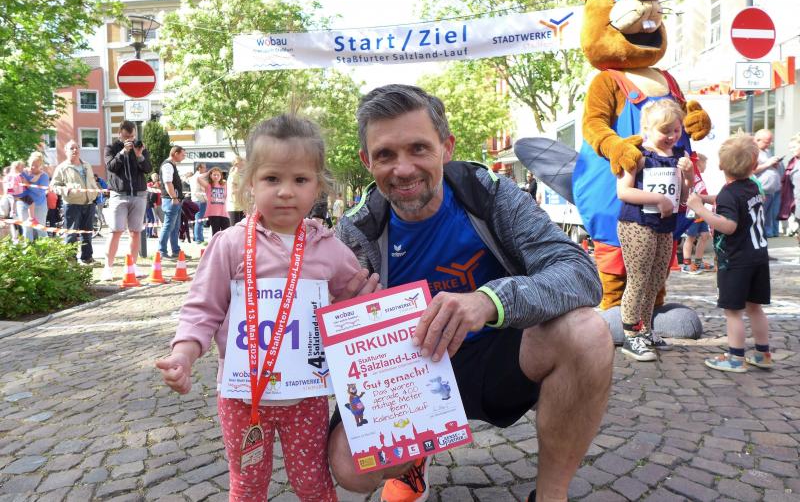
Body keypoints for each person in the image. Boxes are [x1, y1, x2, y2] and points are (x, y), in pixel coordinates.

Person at [332, 85, 612, 502]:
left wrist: (488, 301)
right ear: (366, 161)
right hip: (409, 375)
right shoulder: (356, 231)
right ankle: (413, 456)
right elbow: (323, 340)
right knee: (351, 468)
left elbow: (580, 273)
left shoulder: (490, 194)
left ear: (446, 148)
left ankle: (551, 495)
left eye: (419, 149)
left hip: (500, 355)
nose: (403, 169)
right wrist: (342, 316)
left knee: (587, 332)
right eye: (385, 155)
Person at [156, 114, 365, 501]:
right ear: (250, 183)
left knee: (312, 483)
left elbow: (359, 302)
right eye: (272, 179)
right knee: (247, 484)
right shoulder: (230, 245)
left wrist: (358, 310)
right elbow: (202, 310)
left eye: (300, 179)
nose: (286, 191)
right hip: (242, 397)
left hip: (306, 398)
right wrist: (183, 355)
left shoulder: (330, 250)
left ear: (318, 185)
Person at [615, 100, 694, 361]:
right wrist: (657, 199)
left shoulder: (679, 155)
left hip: (665, 226)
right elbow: (623, 191)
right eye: (665, 131)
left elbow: (683, 196)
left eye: (676, 130)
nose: (672, 136)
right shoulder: (635, 154)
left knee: (656, 278)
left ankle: (646, 329)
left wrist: (688, 176)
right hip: (637, 224)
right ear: (647, 129)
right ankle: (631, 335)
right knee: (638, 279)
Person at [686, 133, 772, 372]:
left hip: (736, 261)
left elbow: (728, 225)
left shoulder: (728, 194)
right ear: (753, 165)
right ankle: (763, 353)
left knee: (733, 312)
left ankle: (735, 357)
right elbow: (731, 201)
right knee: (755, 308)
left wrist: (700, 209)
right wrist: (706, 198)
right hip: (758, 257)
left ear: (721, 165)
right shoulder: (753, 187)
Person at [103, 120, 153, 280]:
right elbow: (111, 167)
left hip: (139, 194)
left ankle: (132, 266)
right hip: (119, 195)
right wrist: (123, 152)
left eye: (132, 136)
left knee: (135, 232)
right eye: (126, 137)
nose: (130, 140)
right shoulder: (111, 148)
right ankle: (108, 268)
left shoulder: (140, 148)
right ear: (120, 134)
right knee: (115, 231)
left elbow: (148, 169)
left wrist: (139, 156)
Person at [51, 140, 100, 264]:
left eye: (77, 148)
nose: (75, 150)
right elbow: (54, 186)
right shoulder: (62, 167)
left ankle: (87, 258)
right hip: (72, 205)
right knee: (71, 233)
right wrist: (67, 190)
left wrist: (95, 191)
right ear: (65, 151)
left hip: (89, 203)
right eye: (71, 148)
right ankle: (71, 260)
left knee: (87, 233)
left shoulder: (87, 165)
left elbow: (92, 181)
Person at [681, 153, 716, 274]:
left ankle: (698, 262)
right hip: (692, 211)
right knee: (690, 237)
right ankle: (686, 264)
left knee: (705, 235)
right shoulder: (693, 171)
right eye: (705, 163)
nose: (706, 166)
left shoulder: (698, 176)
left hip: (701, 211)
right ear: (699, 162)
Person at [753, 129, 782, 238]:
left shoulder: (766, 151)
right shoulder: (753, 151)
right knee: (760, 215)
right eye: (767, 142)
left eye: (770, 142)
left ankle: (766, 235)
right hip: (761, 190)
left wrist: (774, 164)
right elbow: (751, 170)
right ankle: (759, 236)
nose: (769, 144)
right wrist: (768, 163)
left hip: (771, 190)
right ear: (757, 140)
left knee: (768, 216)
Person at [158, 146, 187, 258]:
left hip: (174, 200)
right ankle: (162, 251)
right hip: (171, 200)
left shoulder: (171, 165)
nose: (184, 157)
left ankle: (175, 251)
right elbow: (168, 182)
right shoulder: (168, 165)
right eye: (182, 155)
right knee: (168, 226)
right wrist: (174, 198)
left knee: (175, 227)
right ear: (175, 153)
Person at [202, 166, 230, 234]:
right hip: (213, 213)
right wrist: (208, 172)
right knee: (215, 233)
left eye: (218, 175)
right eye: (214, 175)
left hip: (224, 212)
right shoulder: (208, 185)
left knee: (226, 232)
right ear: (211, 175)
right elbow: (198, 178)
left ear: (221, 176)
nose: (216, 176)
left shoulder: (224, 184)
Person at [189, 163, 208, 243]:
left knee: (198, 220)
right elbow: (203, 189)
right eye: (204, 167)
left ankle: (197, 238)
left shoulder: (192, 177)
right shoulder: (200, 177)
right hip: (201, 200)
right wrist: (207, 199)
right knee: (199, 221)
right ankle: (199, 239)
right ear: (199, 168)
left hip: (194, 200)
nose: (205, 169)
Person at [226, 156, 246, 226]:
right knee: (235, 229)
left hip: (240, 206)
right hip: (234, 206)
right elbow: (233, 191)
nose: (244, 166)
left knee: (241, 229)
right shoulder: (233, 175)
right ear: (237, 164)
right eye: (242, 164)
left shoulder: (239, 175)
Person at [146, 173, 161, 238]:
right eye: (154, 177)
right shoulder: (149, 185)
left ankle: (149, 233)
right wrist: (154, 186)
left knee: (153, 219)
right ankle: (151, 233)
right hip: (152, 205)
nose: (155, 177)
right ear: (152, 178)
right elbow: (151, 195)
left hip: (159, 204)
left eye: (156, 176)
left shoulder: (160, 184)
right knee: (152, 219)